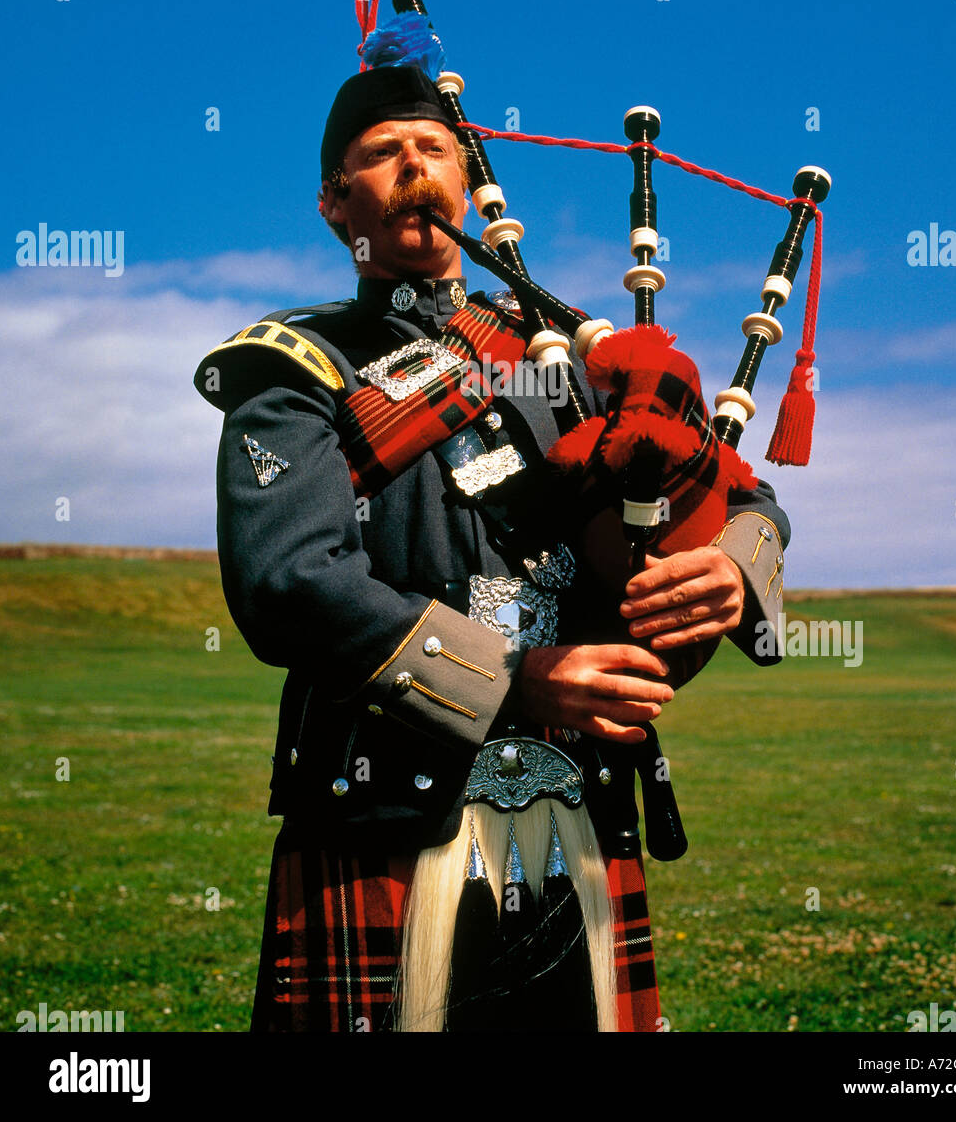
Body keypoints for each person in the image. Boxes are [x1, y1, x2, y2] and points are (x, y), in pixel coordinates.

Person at [194, 63, 790, 1033]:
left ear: (473, 185)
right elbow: (287, 582)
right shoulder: (295, 370)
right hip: (383, 803)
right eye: (382, 155)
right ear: (335, 202)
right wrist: (518, 677)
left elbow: (744, 495)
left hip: (583, 796)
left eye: (435, 148)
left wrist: (733, 559)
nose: (416, 169)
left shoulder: (564, 356)